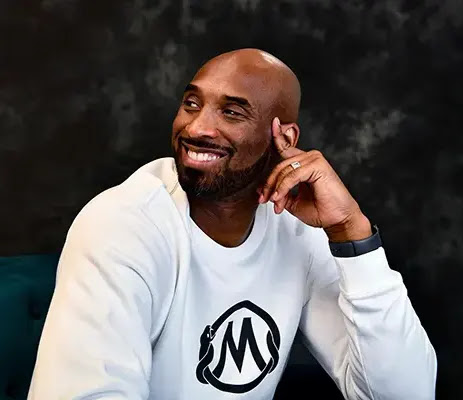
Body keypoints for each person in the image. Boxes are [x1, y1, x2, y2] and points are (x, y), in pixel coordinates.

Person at [28, 48, 437, 399]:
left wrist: (351, 233)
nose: (197, 128)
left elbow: (405, 394)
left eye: (231, 112)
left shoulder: (296, 229)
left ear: (284, 138)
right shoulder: (123, 224)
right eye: (192, 103)